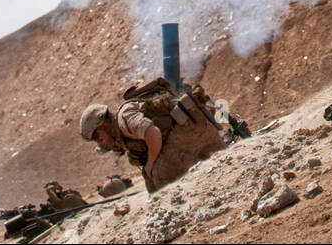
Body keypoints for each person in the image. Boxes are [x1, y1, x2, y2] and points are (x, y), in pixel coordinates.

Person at [81, 81, 225, 193]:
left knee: (159, 173)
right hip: (193, 133)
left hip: (193, 132)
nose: (99, 141)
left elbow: (153, 134)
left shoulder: (125, 119)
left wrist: (150, 164)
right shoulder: (119, 129)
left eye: (96, 136)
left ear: (104, 123)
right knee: (150, 177)